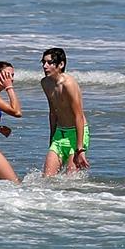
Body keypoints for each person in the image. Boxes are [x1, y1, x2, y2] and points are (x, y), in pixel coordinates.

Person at [41, 47, 90, 176]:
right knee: (46, 179)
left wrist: (80, 149)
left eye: (49, 63)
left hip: (76, 134)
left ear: (61, 64)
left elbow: (78, 116)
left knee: (70, 180)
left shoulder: (69, 84)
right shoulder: (45, 83)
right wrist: (52, 138)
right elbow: (52, 112)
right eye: (43, 63)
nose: (45, 66)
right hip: (59, 134)